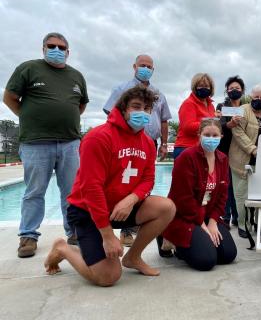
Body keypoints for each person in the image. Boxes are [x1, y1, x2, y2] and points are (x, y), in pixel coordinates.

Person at [43, 86, 176, 286]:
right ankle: (63, 248)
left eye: (147, 108)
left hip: (120, 208)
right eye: (136, 106)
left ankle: (133, 257)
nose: (143, 112)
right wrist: (107, 235)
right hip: (87, 210)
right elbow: (91, 188)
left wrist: (130, 200)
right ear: (123, 109)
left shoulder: (148, 143)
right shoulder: (98, 137)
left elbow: (148, 179)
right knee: (108, 276)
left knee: (166, 207)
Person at [3, 32, 89, 258]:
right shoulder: (29, 68)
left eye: (62, 47)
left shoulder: (76, 76)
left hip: (69, 142)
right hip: (35, 142)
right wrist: (30, 116)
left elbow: (80, 105)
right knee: (34, 191)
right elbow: (9, 97)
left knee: (71, 192)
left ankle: (74, 232)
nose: (57, 50)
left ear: (68, 52)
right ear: (43, 48)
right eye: (51, 46)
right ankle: (28, 236)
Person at [103, 54, 172, 247]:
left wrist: (164, 143)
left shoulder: (159, 93)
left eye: (149, 66)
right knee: (119, 181)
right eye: (143, 65)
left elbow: (165, 120)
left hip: (149, 142)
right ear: (134, 66)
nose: (146, 69)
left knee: (140, 184)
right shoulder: (121, 89)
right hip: (123, 143)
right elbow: (111, 114)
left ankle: (128, 230)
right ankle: (103, 227)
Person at [162, 118, 237, 271]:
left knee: (227, 254)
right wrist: (201, 225)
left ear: (221, 136)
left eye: (215, 135)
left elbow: (223, 195)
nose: (211, 139)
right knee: (206, 260)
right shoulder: (186, 158)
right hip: (185, 216)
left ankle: (198, 241)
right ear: (199, 135)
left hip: (207, 214)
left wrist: (213, 222)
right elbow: (183, 199)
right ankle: (167, 237)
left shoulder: (222, 159)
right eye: (207, 135)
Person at [229, 85, 261, 239]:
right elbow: (237, 132)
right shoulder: (241, 110)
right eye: (256, 97)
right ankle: (243, 225)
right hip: (241, 160)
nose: (258, 100)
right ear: (250, 97)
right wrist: (253, 149)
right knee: (242, 195)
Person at [216, 75, 248, 228]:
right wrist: (230, 123)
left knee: (239, 185)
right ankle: (226, 216)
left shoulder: (246, 107)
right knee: (226, 183)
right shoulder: (221, 107)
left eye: (237, 88)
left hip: (240, 149)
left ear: (242, 91)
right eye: (231, 88)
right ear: (227, 91)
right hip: (224, 149)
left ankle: (238, 216)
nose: (234, 90)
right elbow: (219, 126)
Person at [174, 73, 216, 159]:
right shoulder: (188, 103)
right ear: (195, 87)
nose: (204, 88)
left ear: (211, 88)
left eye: (207, 86)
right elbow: (188, 127)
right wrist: (210, 122)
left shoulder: (211, 105)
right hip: (186, 148)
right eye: (200, 86)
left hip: (204, 148)